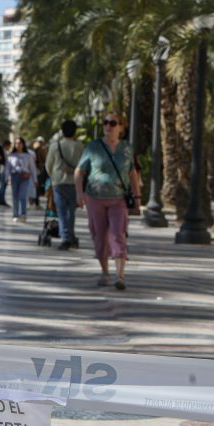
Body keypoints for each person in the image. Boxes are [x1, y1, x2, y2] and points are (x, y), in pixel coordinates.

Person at [75, 111, 140, 291]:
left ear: (121, 127)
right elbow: (79, 171)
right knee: (99, 236)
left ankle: (120, 276)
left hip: (118, 198)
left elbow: (132, 173)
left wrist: (137, 196)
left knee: (118, 234)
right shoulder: (93, 147)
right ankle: (105, 272)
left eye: (112, 123)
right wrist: (79, 193)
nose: (108, 126)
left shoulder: (126, 148)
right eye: (105, 122)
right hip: (95, 198)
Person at [45, 120, 85, 250]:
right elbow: (84, 164)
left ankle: (66, 238)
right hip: (74, 182)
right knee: (70, 212)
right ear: (75, 131)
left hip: (59, 182)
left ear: (62, 131)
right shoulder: (79, 146)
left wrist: (52, 176)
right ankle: (70, 236)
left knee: (61, 212)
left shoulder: (55, 146)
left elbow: (48, 165)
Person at [6, 137, 37, 223]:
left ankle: (23, 214)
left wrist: (35, 179)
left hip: (25, 176)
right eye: (16, 143)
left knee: (23, 196)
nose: (18, 145)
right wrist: (6, 178)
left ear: (23, 144)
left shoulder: (28, 156)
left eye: (20, 143)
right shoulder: (11, 156)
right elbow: (8, 168)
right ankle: (15, 215)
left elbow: (32, 168)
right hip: (14, 176)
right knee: (15, 196)